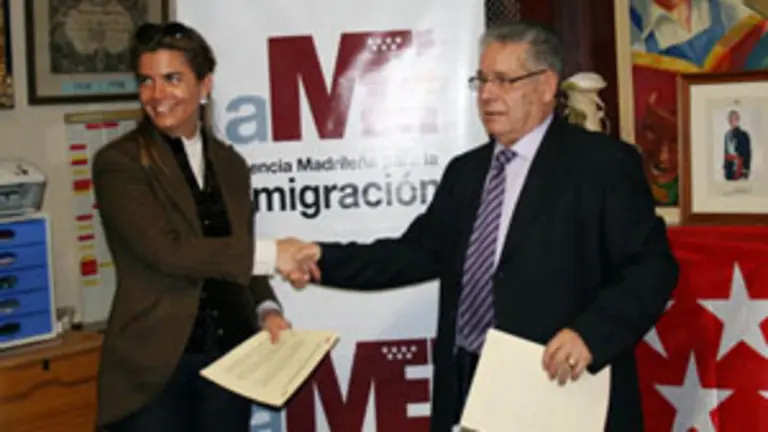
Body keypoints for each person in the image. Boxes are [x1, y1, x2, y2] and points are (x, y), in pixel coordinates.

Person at [280, 21, 679, 431]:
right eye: (483, 80)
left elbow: (652, 269)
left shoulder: (601, 165)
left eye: (504, 81)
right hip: (469, 383)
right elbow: (411, 255)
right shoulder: (466, 173)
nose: (487, 95)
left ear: (546, 86)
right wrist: (322, 258)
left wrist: (591, 335)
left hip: (557, 388)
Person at [92, 22, 300, 432]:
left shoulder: (231, 164)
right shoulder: (119, 163)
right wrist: (276, 253)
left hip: (230, 363)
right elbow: (168, 252)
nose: (157, 95)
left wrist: (267, 310)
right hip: (153, 372)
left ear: (205, 85)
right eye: (147, 81)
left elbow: (236, 252)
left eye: (172, 79)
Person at [723, 109, 751, 181]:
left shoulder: (744, 135)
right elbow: (726, 152)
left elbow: (747, 153)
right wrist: (725, 167)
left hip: (740, 168)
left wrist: (746, 169)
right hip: (729, 170)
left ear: (738, 120)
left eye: (734, 119)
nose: (732, 121)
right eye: (730, 119)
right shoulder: (727, 135)